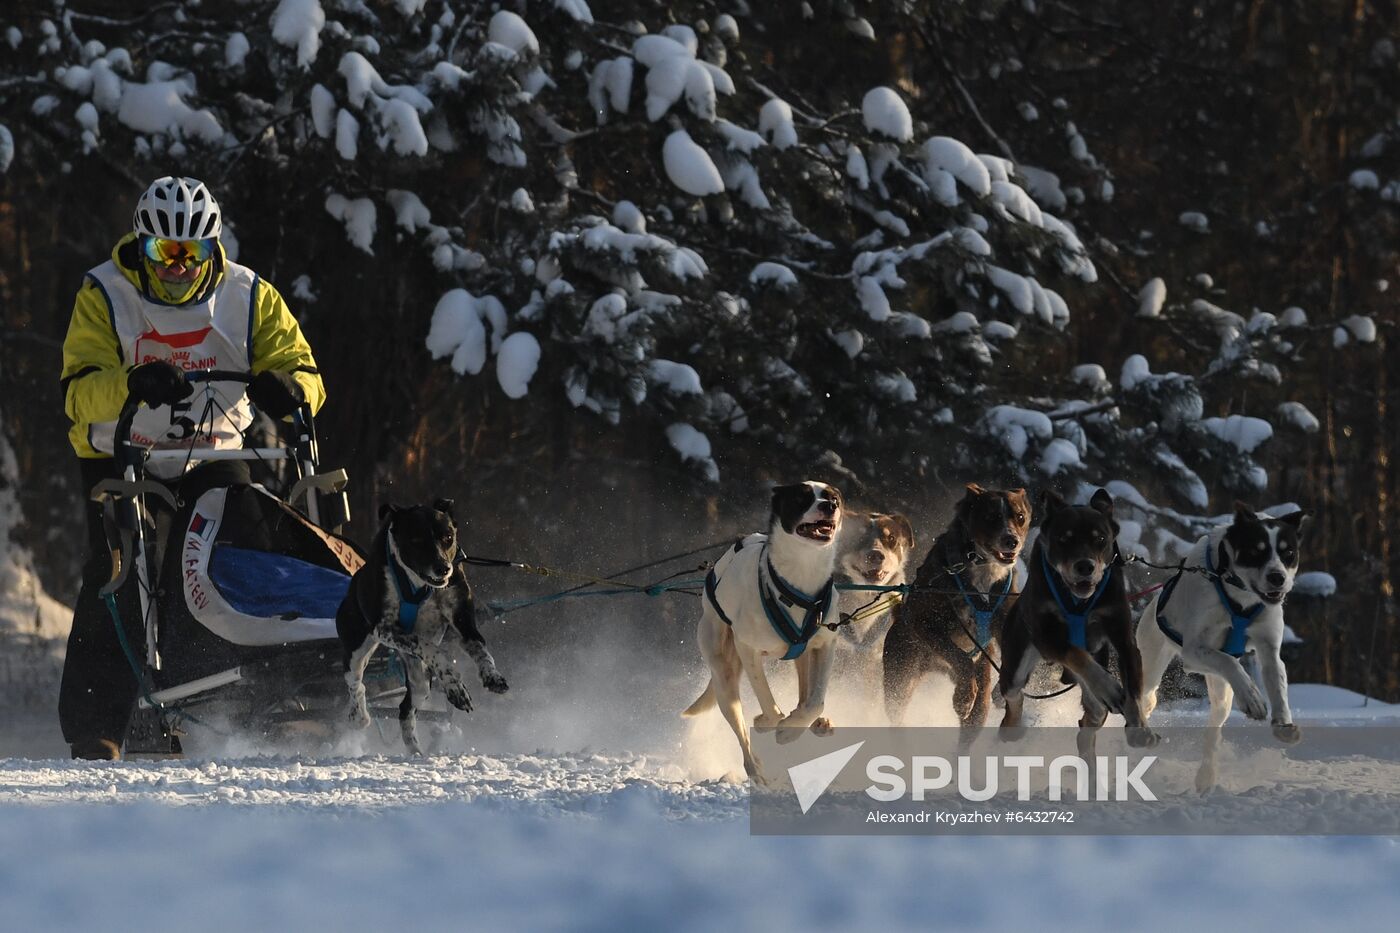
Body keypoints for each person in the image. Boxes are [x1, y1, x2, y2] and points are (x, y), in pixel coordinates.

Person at [58, 176, 326, 759]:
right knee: (118, 566)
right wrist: (132, 382)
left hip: (212, 448)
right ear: (143, 245)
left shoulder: (248, 296)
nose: (177, 267)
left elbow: (303, 371)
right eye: (164, 252)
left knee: (228, 558)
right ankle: (97, 725)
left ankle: (218, 700)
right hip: (120, 451)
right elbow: (78, 392)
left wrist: (291, 390)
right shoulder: (103, 294)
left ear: (211, 248)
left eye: (191, 253)